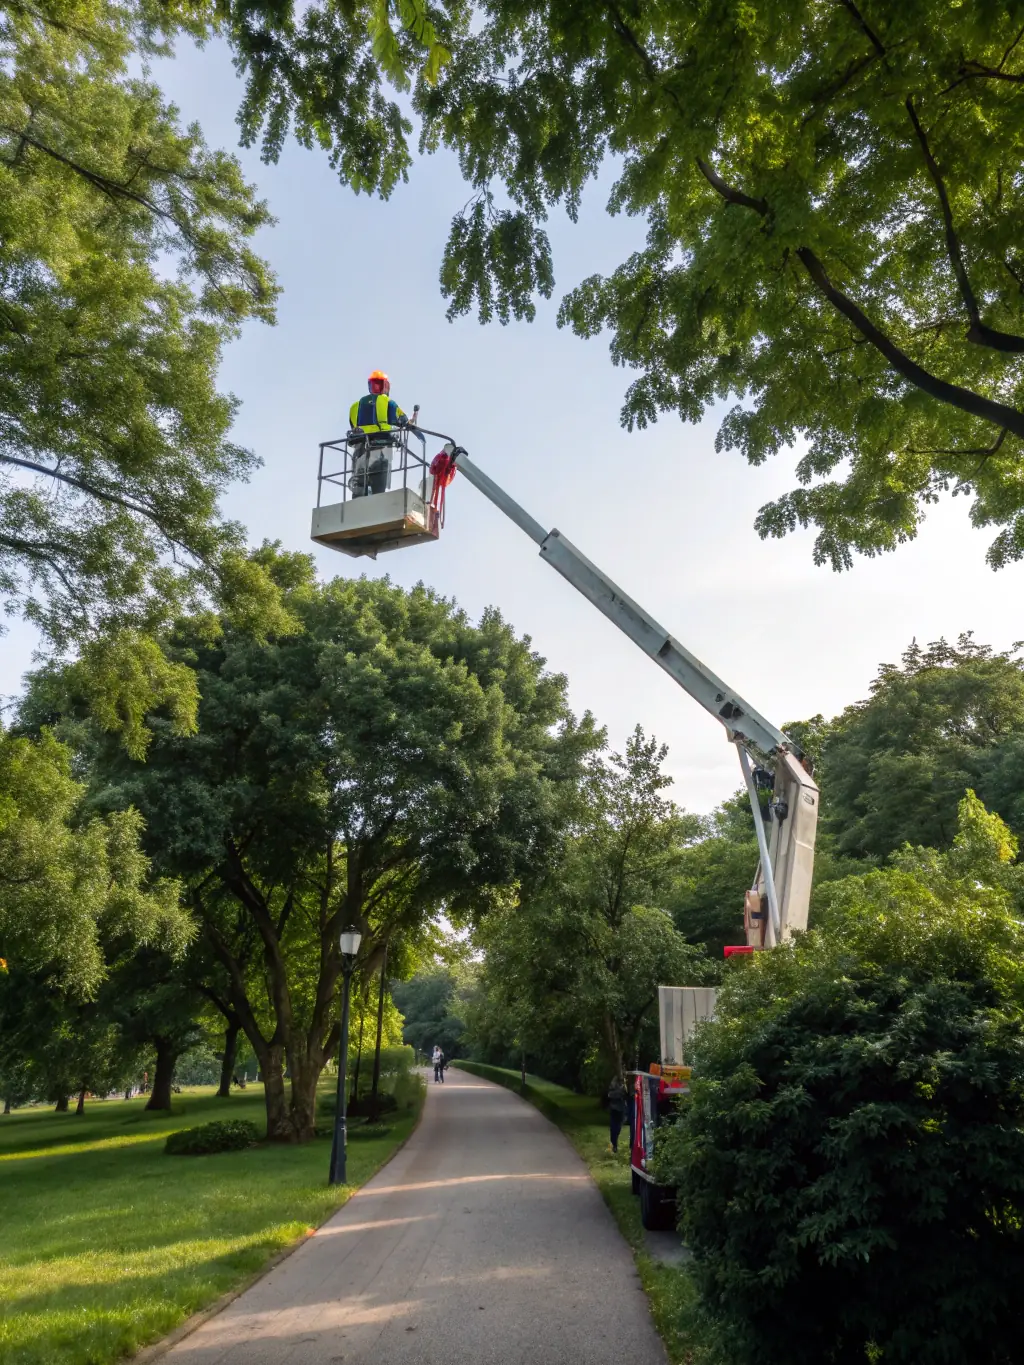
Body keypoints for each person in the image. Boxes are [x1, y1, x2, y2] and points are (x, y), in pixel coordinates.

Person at [348, 369, 408, 496]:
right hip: (381, 447)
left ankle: (359, 490)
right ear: (386, 386)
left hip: (361, 449)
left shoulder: (355, 406)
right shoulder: (388, 402)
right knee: (378, 484)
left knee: (360, 478)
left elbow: (353, 426)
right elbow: (402, 420)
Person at [607, 1075, 628, 1154]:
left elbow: (626, 1094)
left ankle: (614, 1143)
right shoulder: (614, 1080)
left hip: (621, 1107)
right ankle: (613, 1145)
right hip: (614, 1107)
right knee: (613, 1127)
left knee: (618, 1128)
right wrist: (620, 1092)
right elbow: (610, 1094)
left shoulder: (626, 1080)